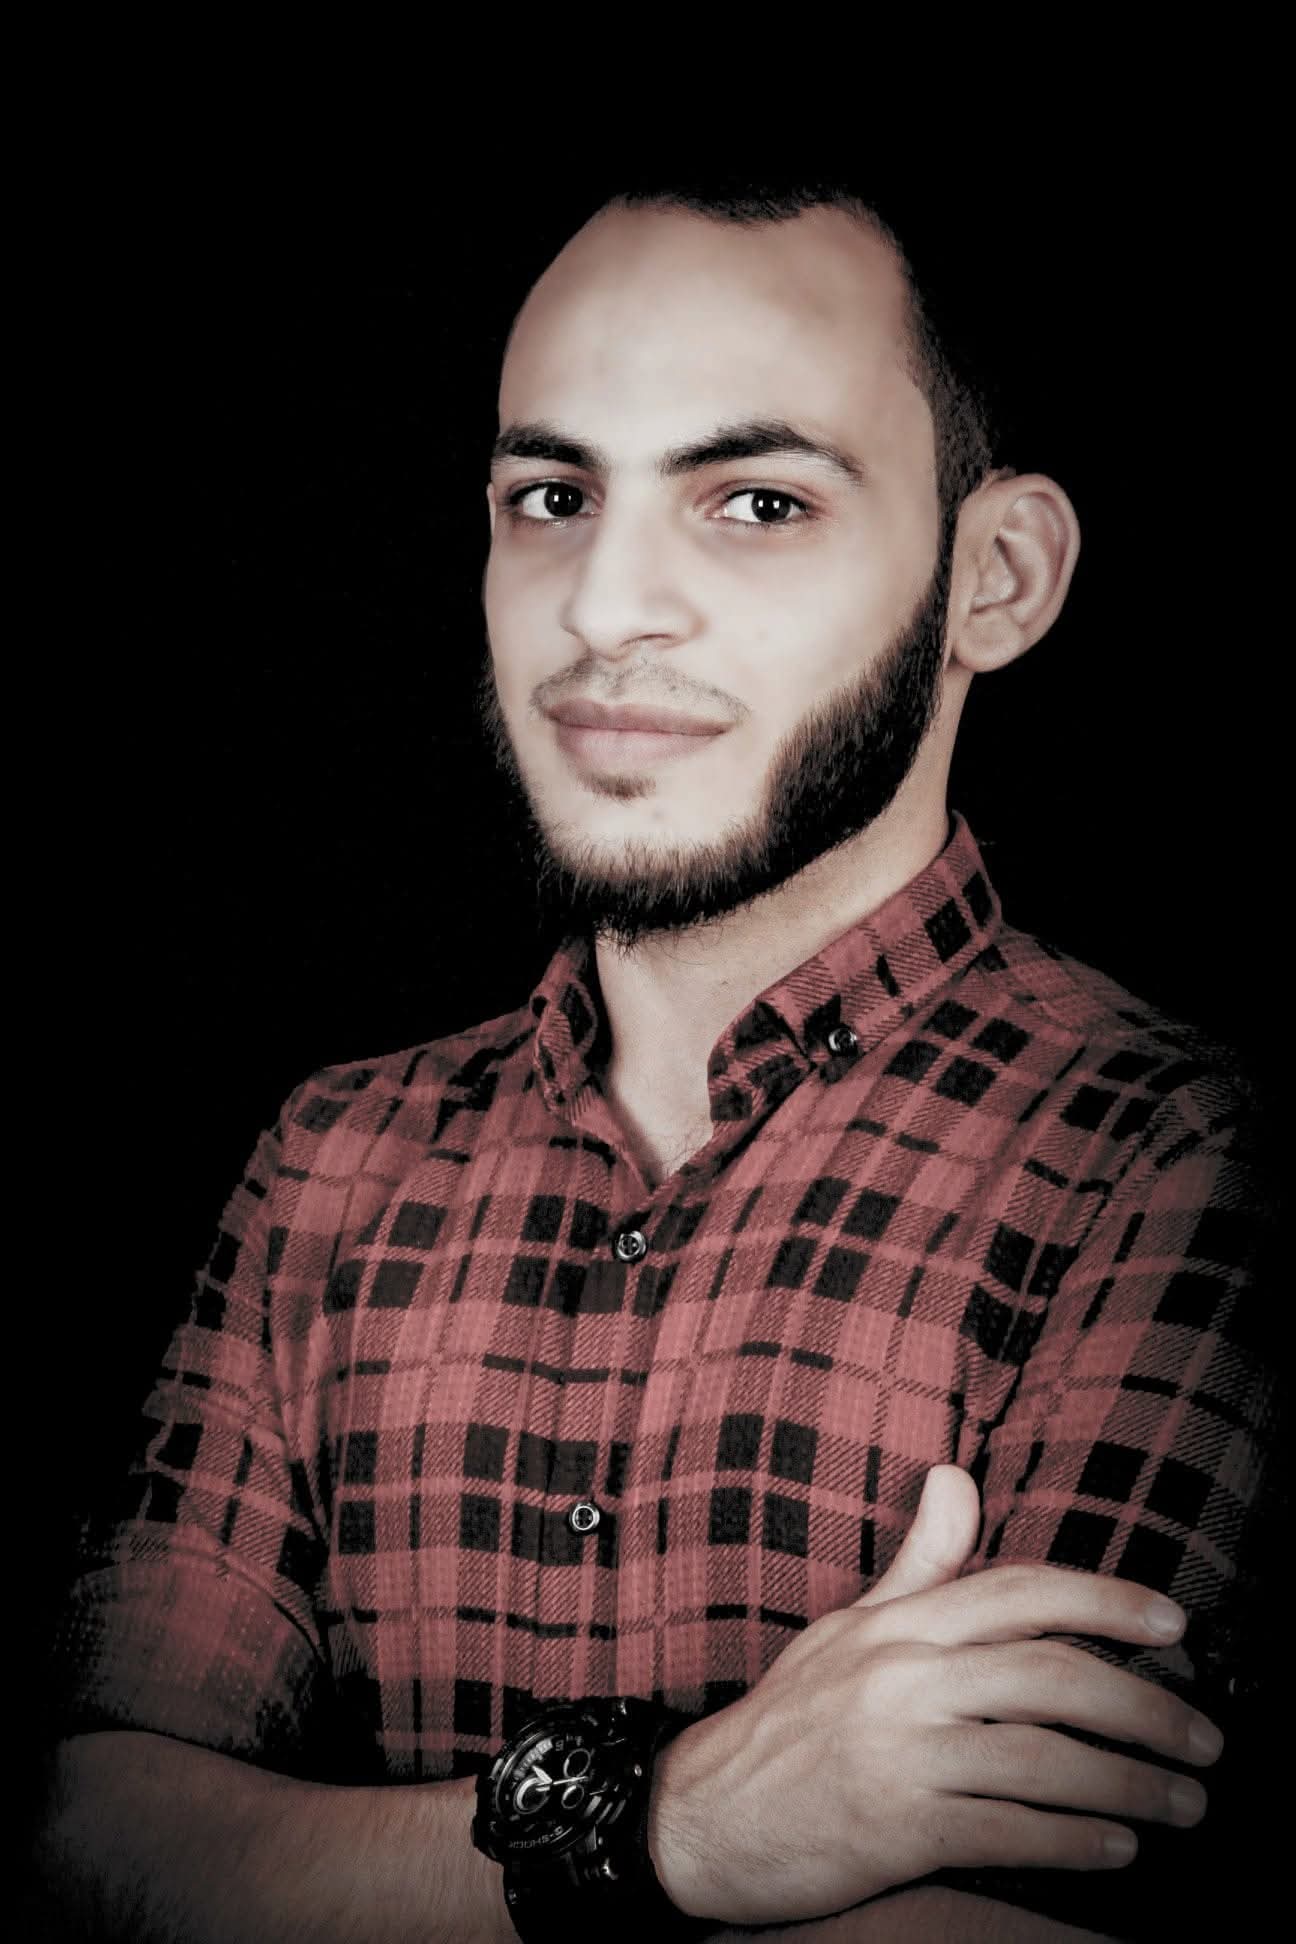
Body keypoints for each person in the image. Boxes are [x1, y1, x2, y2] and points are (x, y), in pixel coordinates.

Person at [33, 180, 1277, 1943]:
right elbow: (94, 1848)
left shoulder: (1176, 1155)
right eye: (552, 497)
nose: (605, 605)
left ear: (996, 578)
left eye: (756, 502)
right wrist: (686, 1828)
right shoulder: (333, 1156)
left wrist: (328, 1872)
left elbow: (1022, 1919)